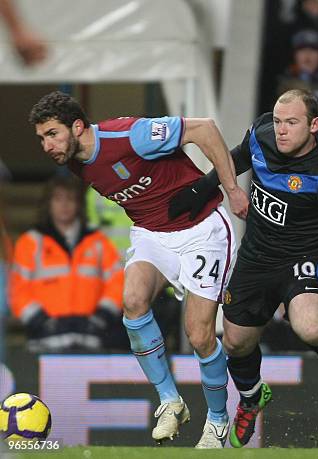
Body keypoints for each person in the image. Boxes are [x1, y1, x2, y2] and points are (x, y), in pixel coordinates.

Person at [169, 88, 318, 448]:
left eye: (291, 122)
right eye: (277, 121)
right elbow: (236, 158)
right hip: (257, 257)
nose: (281, 130)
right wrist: (200, 190)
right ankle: (252, 397)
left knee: (309, 327)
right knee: (236, 343)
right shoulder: (261, 136)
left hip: (304, 257)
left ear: (314, 125)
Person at [28, 91, 249, 448]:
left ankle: (219, 420)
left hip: (202, 229)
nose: (46, 145)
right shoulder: (72, 160)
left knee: (199, 333)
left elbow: (205, 130)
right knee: (131, 301)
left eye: (52, 134)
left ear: (78, 126)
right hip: (151, 232)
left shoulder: (129, 135)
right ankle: (170, 401)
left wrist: (233, 188)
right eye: (41, 138)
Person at [10, 177, 123, 352]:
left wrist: (101, 317)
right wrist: (42, 322)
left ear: (79, 204)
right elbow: (18, 290)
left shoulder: (98, 242)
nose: (64, 205)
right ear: (48, 203)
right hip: (44, 340)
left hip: (90, 337)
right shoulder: (30, 242)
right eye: (58, 199)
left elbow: (117, 282)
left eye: (70, 199)